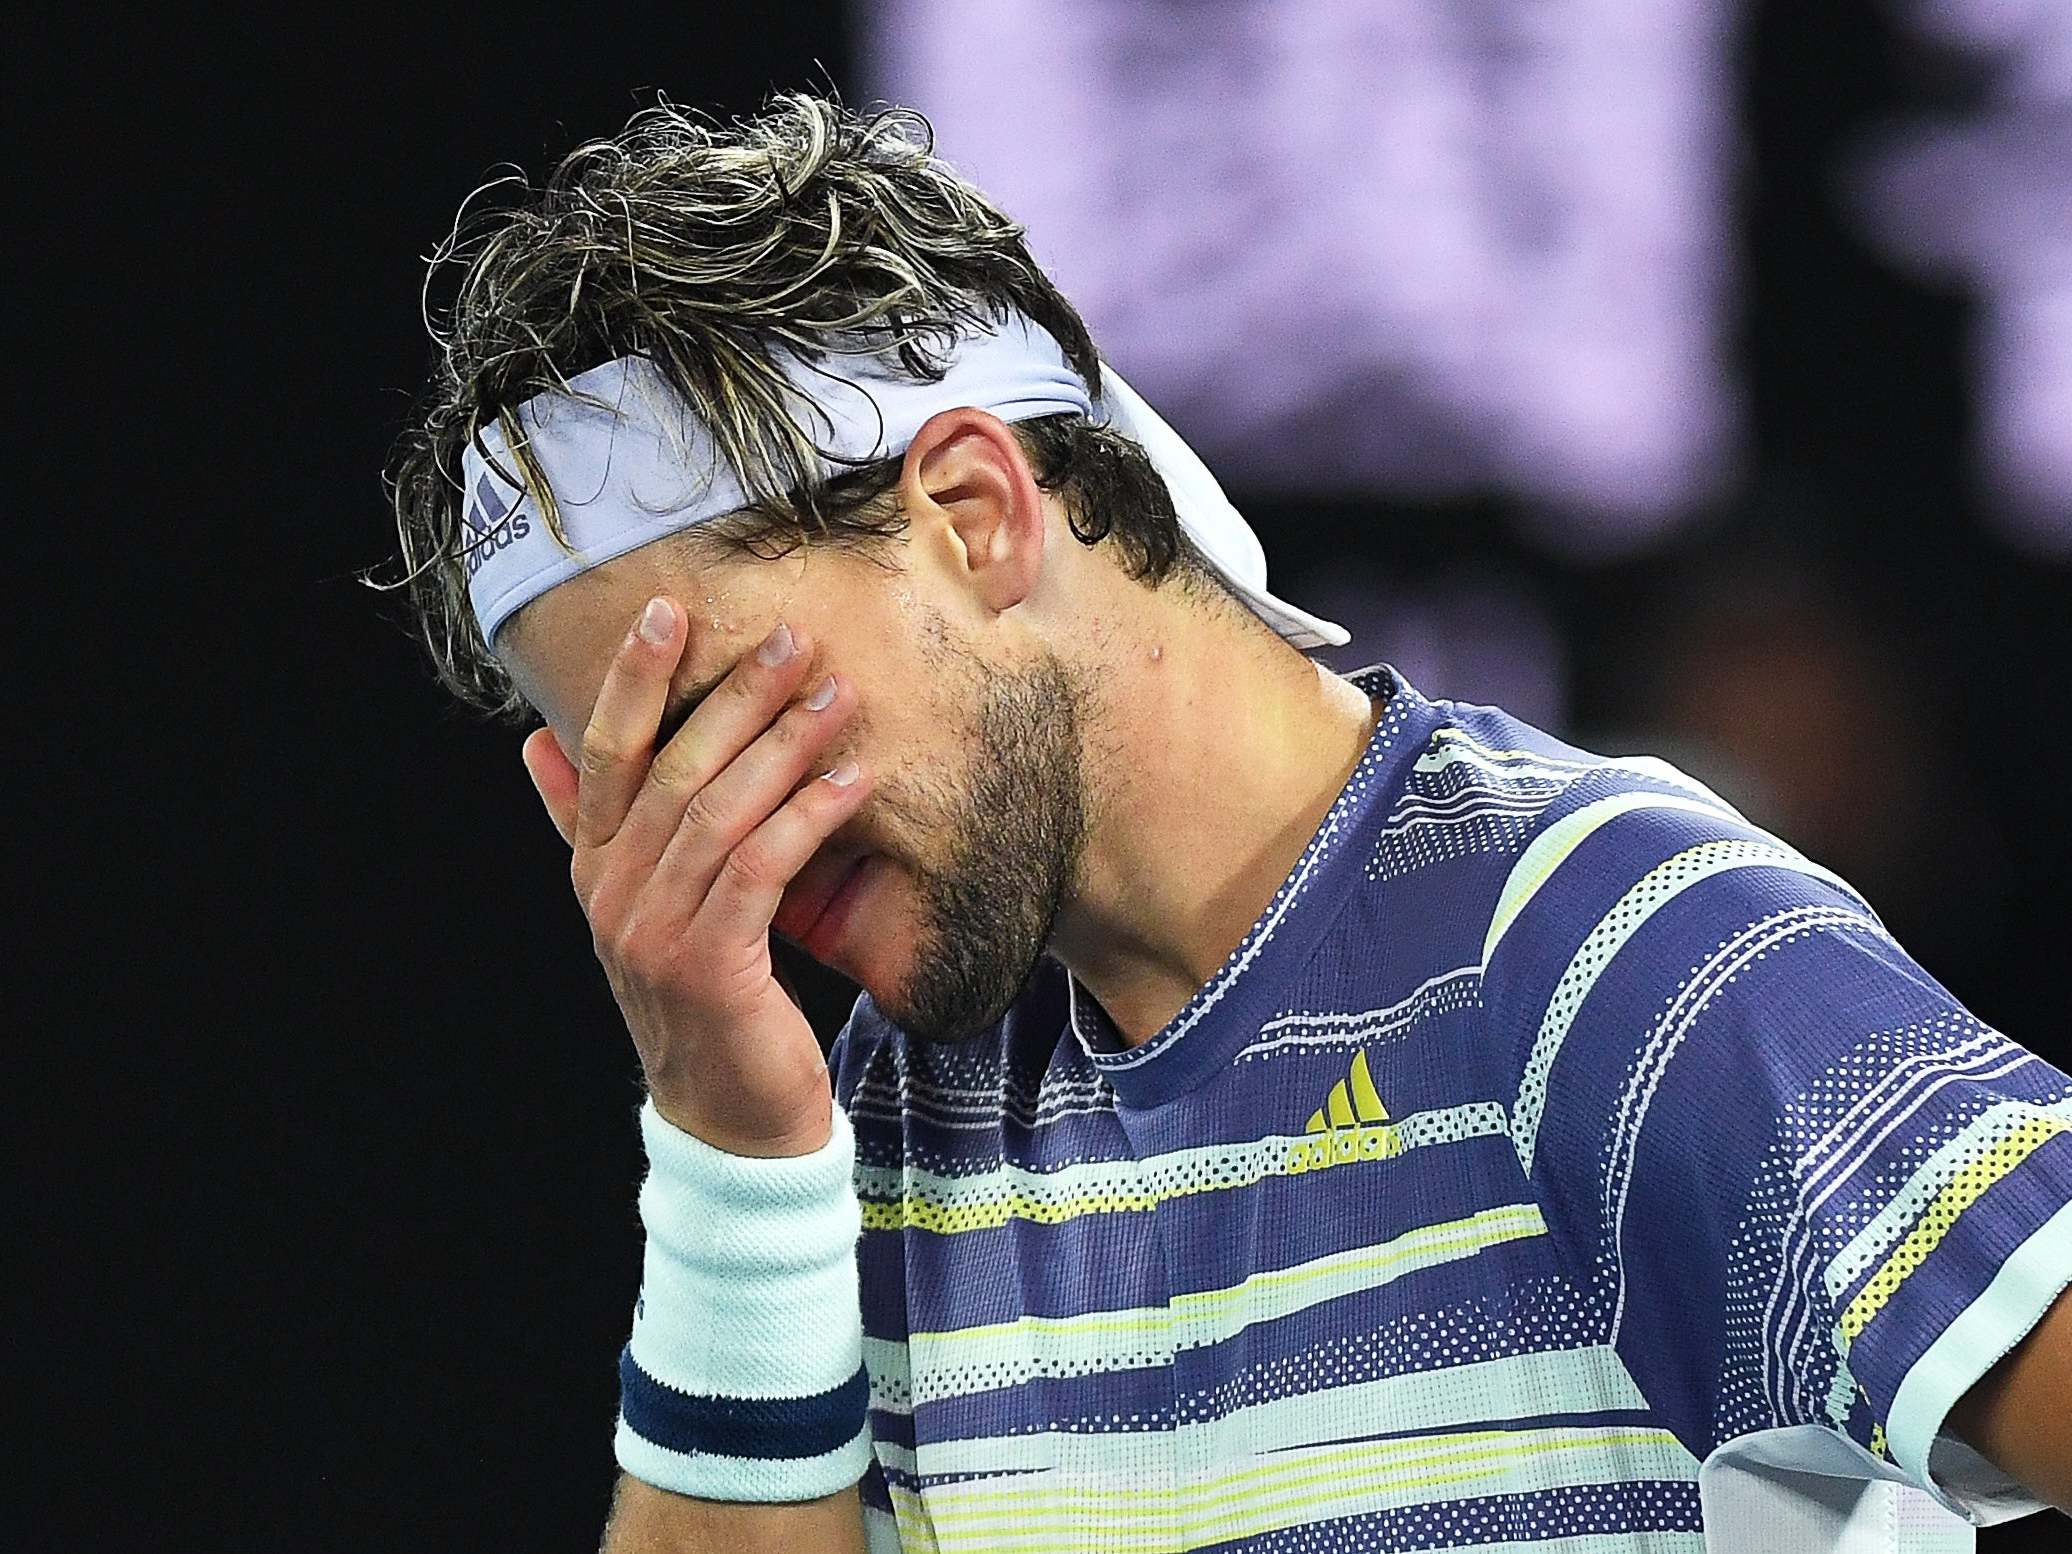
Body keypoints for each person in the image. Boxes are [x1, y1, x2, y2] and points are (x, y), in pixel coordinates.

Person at [379, 94, 2072, 1553]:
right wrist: (733, 1160)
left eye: (724, 716)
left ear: (974, 515)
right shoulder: (871, 1137)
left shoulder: (1603, 950)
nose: (708, 844)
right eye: (629, 781)